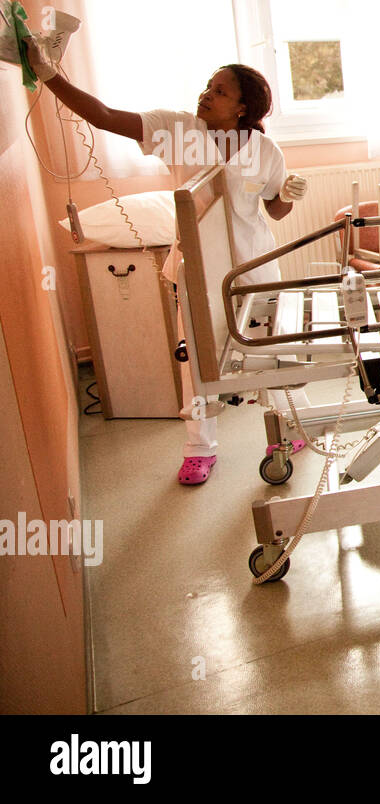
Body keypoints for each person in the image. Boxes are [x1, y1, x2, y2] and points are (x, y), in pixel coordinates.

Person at [27, 43, 307, 485]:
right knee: (195, 357)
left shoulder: (266, 149)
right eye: (207, 87)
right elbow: (102, 115)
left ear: (242, 108)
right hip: (197, 266)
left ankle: (287, 428)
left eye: (219, 90)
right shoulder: (178, 130)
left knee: (269, 346)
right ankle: (199, 447)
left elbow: (273, 209)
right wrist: (48, 74)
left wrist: (287, 195)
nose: (206, 95)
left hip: (253, 265)